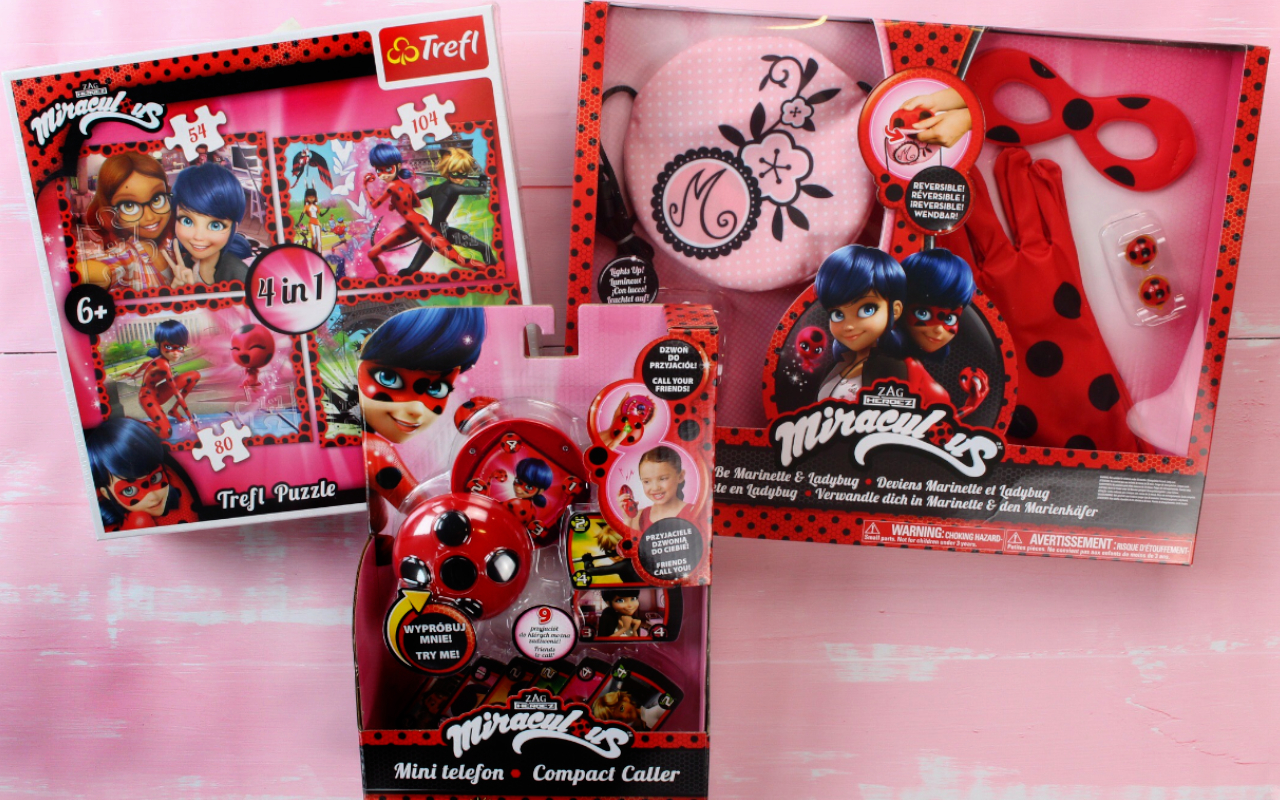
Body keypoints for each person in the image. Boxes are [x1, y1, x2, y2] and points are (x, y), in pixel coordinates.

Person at [358, 307, 487, 531]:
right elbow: (427, 512)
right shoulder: (373, 452)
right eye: (388, 378)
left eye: (437, 388)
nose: (416, 410)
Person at [885, 248, 989, 418]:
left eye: (950, 318)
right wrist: (970, 406)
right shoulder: (904, 365)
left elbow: (927, 425)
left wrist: (970, 405)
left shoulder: (910, 363)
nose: (938, 329)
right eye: (923, 313)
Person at [363, 143, 488, 277]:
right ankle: (386, 280)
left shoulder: (393, 186)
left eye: (388, 169)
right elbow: (416, 203)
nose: (383, 175)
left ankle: (488, 271)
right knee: (373, 253)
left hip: (420, 226)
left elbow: (374, 204)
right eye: (379, 170)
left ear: (398, 166)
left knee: (458, 259)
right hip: (413, 225)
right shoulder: (406, 187)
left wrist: (365, 187)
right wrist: (397, 203)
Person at [814, 245, 909, 402]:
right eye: (837, 314)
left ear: (895, 310)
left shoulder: (890, 367)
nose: (849, 326)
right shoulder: (841, 363)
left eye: (867, 310)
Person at [81, 151, 176, 291]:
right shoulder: (127, 256)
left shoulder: (171, 250)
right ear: (111, 212)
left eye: (157, 199)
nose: (150, 217)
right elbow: (99, 268)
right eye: (129, 206)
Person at [85, 417, 200, 531]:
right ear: (105, 493)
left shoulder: (179, 495)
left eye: (155, 478)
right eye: (129, 490)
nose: (153, 497)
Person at [403, 147, 497, 272]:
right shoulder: (453, 188)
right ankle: (494, 271)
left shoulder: (434, 189)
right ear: (447, 172)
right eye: (455, 174)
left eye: (463, 174)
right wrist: (483, 180)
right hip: (441, 233)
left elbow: (413, 199)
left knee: (412, 269)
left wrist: (401, 197)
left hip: (435, 232)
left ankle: (492, 272)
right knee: (484, 248)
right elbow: (481, 190)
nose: (460, 178)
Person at [164, 163, 252, 287]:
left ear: (234, 228)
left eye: (215, 225)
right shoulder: (186, 263)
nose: (198, 237)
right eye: (187, 221)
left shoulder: (239, 275)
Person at [127, 320, 200, 440]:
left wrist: (133, 374)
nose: (175, 353)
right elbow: (176, 393)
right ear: (158, 344)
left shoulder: (160, 359)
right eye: (169, 347)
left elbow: (145, 364)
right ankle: (135, 423)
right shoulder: (164, 365)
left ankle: (173, 410)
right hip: (147, 397)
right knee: (166, 432)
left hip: (157, 392)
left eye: (180, 347)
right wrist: (190, 418)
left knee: (195, 375)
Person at [619, 446, 698, 533]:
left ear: (680, 476)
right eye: (646, 481)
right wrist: (628, 520)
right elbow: (630, 540)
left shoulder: (695, 512)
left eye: (662, 479)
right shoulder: (639, 517)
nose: (655, 488)